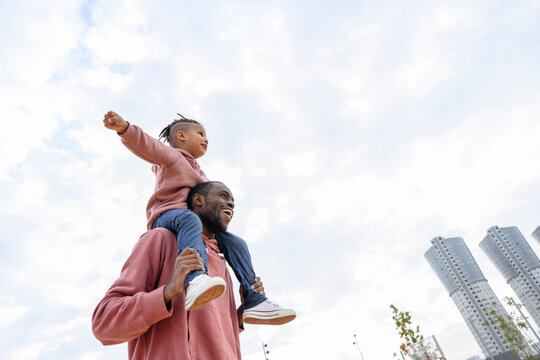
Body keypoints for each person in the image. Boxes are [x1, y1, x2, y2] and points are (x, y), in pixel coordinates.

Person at [102, 111, 295, 324]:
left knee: (235, 242)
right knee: (189, 219)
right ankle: (194, 279)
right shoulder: (173, 158)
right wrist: (125, 129)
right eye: (200, 133)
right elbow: (149, 146)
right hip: (167, 216)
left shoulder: (201, 174)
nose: (206, 139)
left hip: (191, 222)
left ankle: (253, 299)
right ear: (182, 136)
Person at [92, 181, 271, 359]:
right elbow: (103, 324)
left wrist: (237, 317)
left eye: (233, 201)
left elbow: (207, 337)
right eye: (223, 196)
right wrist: (168, 292)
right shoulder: (159, 239)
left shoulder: (221, 262)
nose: (231, 204)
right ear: (198, 200)